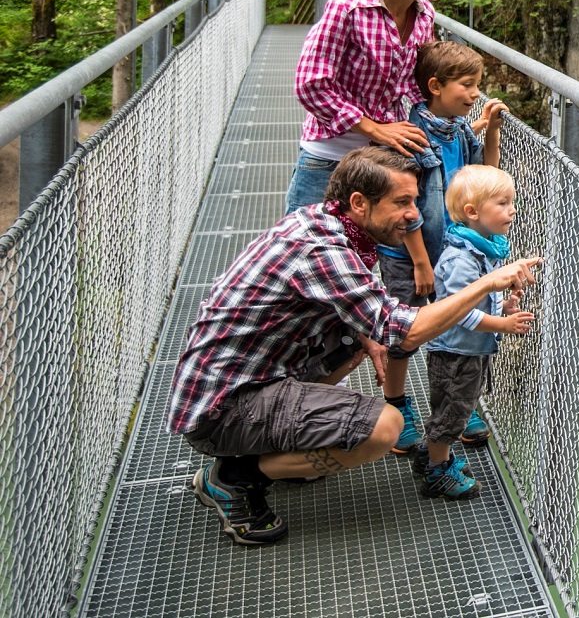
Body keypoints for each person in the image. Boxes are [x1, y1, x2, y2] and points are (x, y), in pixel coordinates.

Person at [168, 146, 539, 545]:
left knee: (359, 344)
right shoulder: (324, 251)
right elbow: (402, 331)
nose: (414, 214)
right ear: (359, 203)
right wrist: (487, 283)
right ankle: (232, 478)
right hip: (224, 407)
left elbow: (353, 308)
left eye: (414, 200)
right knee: (384, 428)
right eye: (401, 202)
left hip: (245, 377)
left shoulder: (325, 224)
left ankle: (280, 450)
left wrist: (366, 337)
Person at [287, 0, 462, 454]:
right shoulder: (347, 8)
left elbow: (417, 89)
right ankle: (285, 404)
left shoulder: (424, 14)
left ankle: (409, 404)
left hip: (390, 169)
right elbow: (309, 84)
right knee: (306, 281)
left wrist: (455, 119)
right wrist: (372, 126)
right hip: (332, 162)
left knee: (403, 286)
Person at [377, 40, 508, 445]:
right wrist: (419, 262)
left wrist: (491, 132)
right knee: (407, 332)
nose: (474, 94)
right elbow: (408, 207)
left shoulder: (457, 131)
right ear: (435, 86)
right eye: (467, 85)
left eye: (477, 85)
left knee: (449, 325)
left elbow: (483, 178)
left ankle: (453, 406)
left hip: (449, 253)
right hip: (409, 253)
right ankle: (396, 402)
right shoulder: (414, 139)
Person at [416, 165, 535, 498]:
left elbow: (483, 297)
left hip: (471, 350)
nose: (512, 210)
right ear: (472, 211)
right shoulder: (461, 259)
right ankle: (438, 472)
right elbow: (460, 313)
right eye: (502, 203)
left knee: (456, 408)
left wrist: (505, 307)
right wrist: (502, 325)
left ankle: (432, 456)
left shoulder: (485, 249)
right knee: (454, 410)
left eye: (511, 201)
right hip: (456, 353)